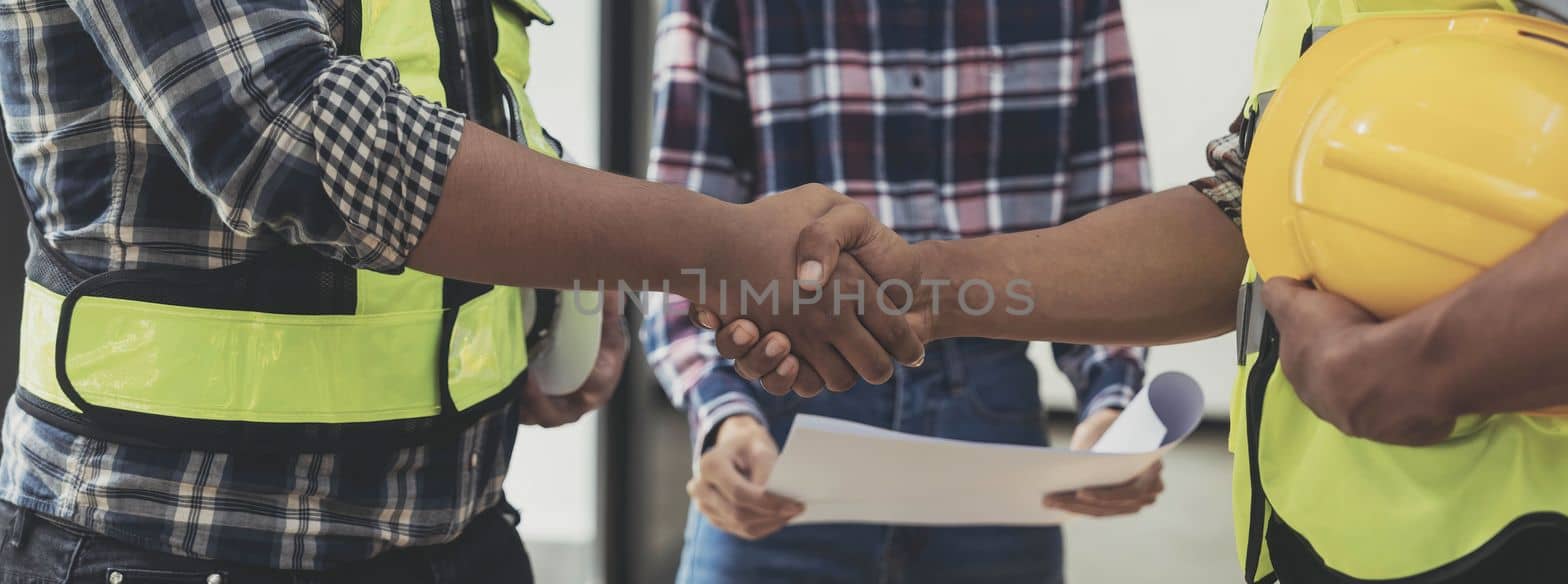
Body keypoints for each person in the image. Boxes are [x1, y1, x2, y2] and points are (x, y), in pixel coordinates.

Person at [0, 0, 917, 580]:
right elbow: (286, 131)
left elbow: (463, 97)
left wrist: (564, 296)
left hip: (459, 528)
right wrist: (723, 248)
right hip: (173, 540)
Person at [704, 1, 1568, 582]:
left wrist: (1419, 370)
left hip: (1545, 538)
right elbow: (1253, 213)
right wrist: (925, 288)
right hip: (1323, 549)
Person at [644, 0, 1160, 582]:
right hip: (782, 411)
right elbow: (684, 250)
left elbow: (1112, 226)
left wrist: (1113, 405)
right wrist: (724, 418)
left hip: (991, 425)